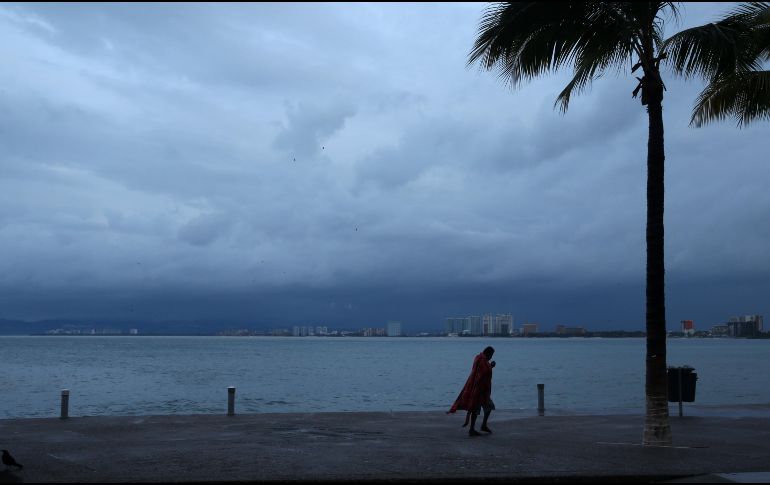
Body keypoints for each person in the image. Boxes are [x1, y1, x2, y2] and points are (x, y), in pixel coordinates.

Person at [447, 346, 496, 436]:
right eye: (491, 355)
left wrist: (490, 366)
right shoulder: (481, 361)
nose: (491, 357)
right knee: (475, 409)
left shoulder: (479, 358)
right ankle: (473, 429)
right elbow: (484, 372)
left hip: (482, 390)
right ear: (488, 353)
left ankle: (482, 425)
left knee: (487, 407)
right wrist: (491, 366)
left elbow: (482, 372)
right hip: (478, 390)